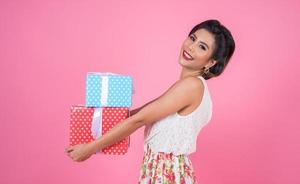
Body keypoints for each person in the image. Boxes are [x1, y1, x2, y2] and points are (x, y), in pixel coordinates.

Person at [65, 19, 235, 184]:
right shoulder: (187, 86)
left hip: (166, 174)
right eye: (192, 38)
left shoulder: (192, 86)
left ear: (211, 62)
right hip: (164, 172)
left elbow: (138, 120)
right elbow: (140, 113)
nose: (191, 47)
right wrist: (97, 120)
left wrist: (89, 149)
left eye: (202, 47)